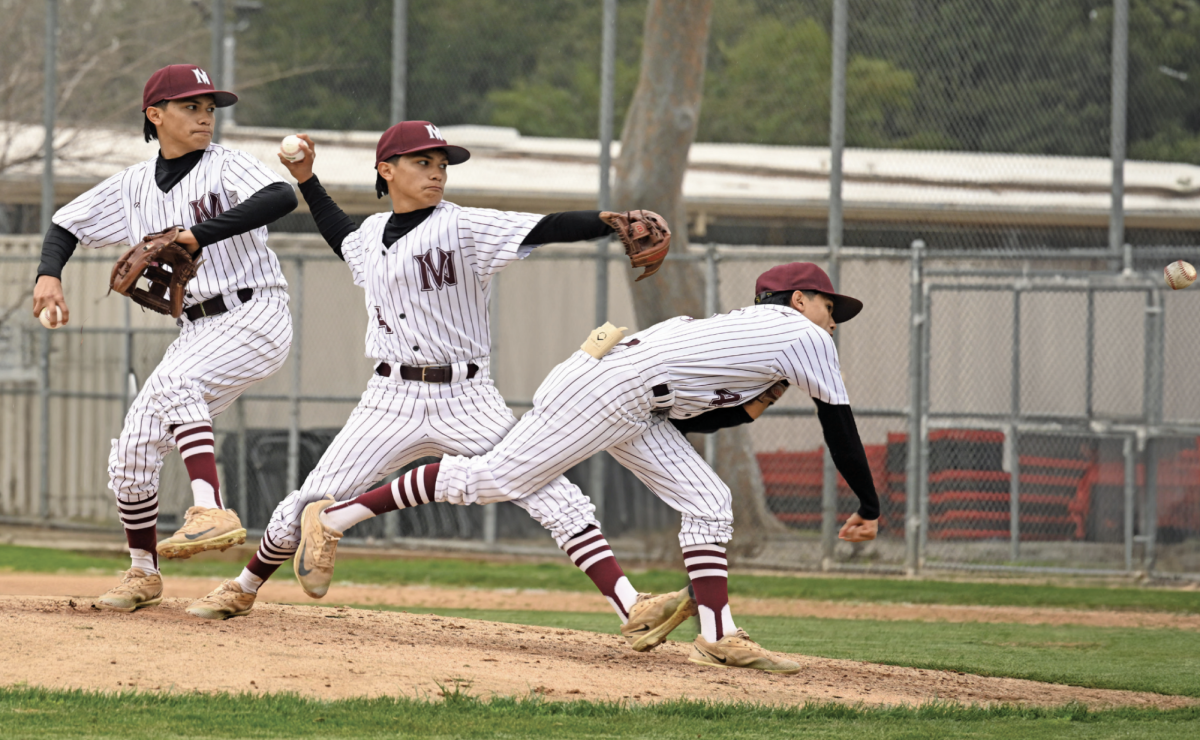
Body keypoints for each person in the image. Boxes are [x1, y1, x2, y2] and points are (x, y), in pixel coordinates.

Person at [186, 122, 690, 647]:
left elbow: (545, 226)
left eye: (442, 165)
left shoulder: (464, 227)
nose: (436, 173)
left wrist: (607, 221)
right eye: (422, 163)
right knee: (312, 497)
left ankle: (632, 606)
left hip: (467, 398)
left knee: (549, 491)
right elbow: (340, 236)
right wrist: (308, 180)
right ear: (387, 170)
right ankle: (243, 587)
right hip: (389, 397)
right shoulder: (371, 236)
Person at [294, 261, 881, 674]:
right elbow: (840, 426)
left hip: (629, 395)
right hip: (611, 389)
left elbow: (686, 421)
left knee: (709, 502)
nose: (834, 321)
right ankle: (336, 519)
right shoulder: (802, 335)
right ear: (800, 301)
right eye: (831, 308)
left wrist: (746, 409)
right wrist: (870, 505)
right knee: (490, 479)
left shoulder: (742, 336)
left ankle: (718, 634)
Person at [32, 64, 298, 611]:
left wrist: (194, 235)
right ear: (155, 115)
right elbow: (65, 224)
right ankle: (142, 574)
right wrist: (48, 276)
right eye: (189, 106)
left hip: (255, 311)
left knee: (178, 382)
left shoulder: (226, 166)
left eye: (208, 107)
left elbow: (280, 198)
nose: (204, 116)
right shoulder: (132, 185)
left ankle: (210, 509)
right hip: (198, 327)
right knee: (130, 454)